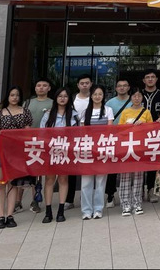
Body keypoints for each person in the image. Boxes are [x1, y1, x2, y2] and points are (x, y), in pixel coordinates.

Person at [0, 86, 33, 229]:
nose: (14, 97)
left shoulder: (25, 112)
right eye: (12, 95)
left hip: (17, 152)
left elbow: (28, 131)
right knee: (0, 183)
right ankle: (0, 216)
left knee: (13, 183)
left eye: (17, 95)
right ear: (7, 96)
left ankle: (10, 215)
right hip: (1, 150)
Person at [40, 87, 78, 223]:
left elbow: (77, 135)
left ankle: (61, 210)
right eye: (60, 96)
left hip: (66, 151)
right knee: (49, 180)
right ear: (55, 98)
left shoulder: (74, 115)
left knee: (63, 180)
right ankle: (48, 211)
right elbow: (42, 133)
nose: (62, 99)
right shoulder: (48, 114)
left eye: (65, 96)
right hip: (51, 151)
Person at [17, 78, 52, 213]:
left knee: (38, 172)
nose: (41, 88)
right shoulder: (27, 103)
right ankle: (18, 201)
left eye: (44, 85)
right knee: (23, 170)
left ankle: (35, 200)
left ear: (49, 88)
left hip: (43, 141)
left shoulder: (53, 103)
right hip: (26, 141)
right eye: (39, 85)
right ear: (35, 88)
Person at [81, 85, 114, 219]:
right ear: (91, 96)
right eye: (95, 94)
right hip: (88, 150)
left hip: (102, 149)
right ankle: (86, 210)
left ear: (103, 96)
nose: (97, 96)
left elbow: (110, 130)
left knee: (100, 182)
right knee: (86, 182)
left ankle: (98, 209)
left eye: (100, 94)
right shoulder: (85, 112)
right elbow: (82, 131)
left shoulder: (108, 110)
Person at [118, 86, 152, 216]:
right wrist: (128, 127)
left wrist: (143, 126)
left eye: (139, 96)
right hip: (127, 148)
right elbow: (119, 131)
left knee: (139, 177)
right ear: (130, 98)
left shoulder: (146, 112)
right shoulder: (125, 112)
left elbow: (151, 129)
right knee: (125, 176)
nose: (136, 98)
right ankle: (125, 205)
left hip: (140, 148)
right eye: (134, 96)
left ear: (142, 98)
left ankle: (137, 204)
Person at [66, 74, 92, 209]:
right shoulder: (71, 99)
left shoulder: (95, 98)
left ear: (91, 84)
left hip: (90, 139)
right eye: (82, 83)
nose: (84, 85)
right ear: (78, 85)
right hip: (73, 138)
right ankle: (69, 199)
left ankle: (85, 198)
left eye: (87, 83)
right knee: (72, 168)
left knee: (87, 169)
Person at [105, 78, 131, 207]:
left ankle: (129, 195)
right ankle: (110, 195)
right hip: (114, 138)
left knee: (129, 167)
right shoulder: (110, 103)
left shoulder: (133, 101)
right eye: (119, 86)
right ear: (116, 88)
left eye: (124, 85)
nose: (122, 88)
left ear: (128, 87)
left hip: (130, 138)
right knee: (112, 167)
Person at [141, 69, 160, 203]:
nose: (150, 79)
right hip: (140, 134)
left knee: (152, 161)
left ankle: (151, 189)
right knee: (140, 161)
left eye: (152, 77)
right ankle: (140, 190)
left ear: (156, 79)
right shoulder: (138, 94)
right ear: (144, 80)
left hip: (156, 133)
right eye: (147, 77)